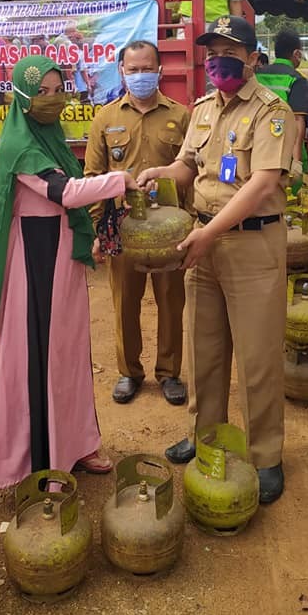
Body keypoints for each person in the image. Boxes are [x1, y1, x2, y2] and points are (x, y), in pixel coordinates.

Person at [138, 16, 297, 504]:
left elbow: (263, 183)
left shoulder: (273, 112)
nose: (218, 60)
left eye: (230, 51)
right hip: (202, 241)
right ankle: (204, 433)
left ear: (252, 59)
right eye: (212, 52)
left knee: (257, 357)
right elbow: (190, 165)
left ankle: (266, 454)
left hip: (251, 244)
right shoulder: (203, 108)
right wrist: (162, 171)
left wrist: (208, 232)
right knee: (204, 348)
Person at [0, 55, 139, 489]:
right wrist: (119, 180)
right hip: (36, 264)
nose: (52, 101)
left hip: (61, 258)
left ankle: (77, 442)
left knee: (70, 352)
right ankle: (44, 459)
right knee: (44, 356)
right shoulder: (20, 145)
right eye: (41, 93)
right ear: (21, 98)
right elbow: (63, 192)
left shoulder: (49, 137)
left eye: (58, 91)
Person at [85, 40, 189, 406]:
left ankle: (169, 372)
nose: (141, 75)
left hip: (169, 231)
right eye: (133, 69)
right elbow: (94, 176)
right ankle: (129, 372)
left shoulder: (182, 115)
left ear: (160, 70)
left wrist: (190, 226)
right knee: (125, 304)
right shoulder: (106, 118)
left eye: (147, 68)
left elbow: (192, 171)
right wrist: (100, 229)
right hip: (124, 229)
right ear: (121, 71)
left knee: (171, 303)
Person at [256, 27, 308, 173]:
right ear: (296, 53)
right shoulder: (296, 79)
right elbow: (298, 120)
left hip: (258, 144)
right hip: (285, 147)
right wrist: (297, 161)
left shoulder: (257, 75)